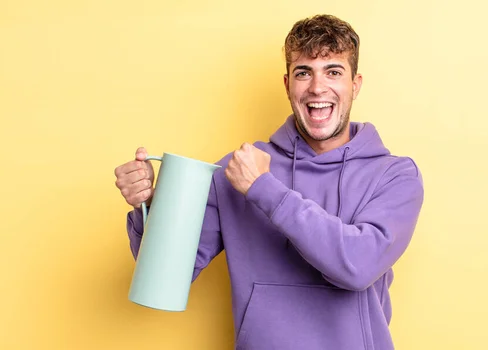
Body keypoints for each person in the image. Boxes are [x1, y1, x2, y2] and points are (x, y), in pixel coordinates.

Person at [114, 14, 424, 350]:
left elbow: (358, 267)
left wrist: (265, 190)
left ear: (355, 84)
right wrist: (150, 206)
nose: (317, 87)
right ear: (287, 84)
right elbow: (167, 277)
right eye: (304, 73)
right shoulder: (239, 170)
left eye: (333, 72)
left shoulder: (395, 176)